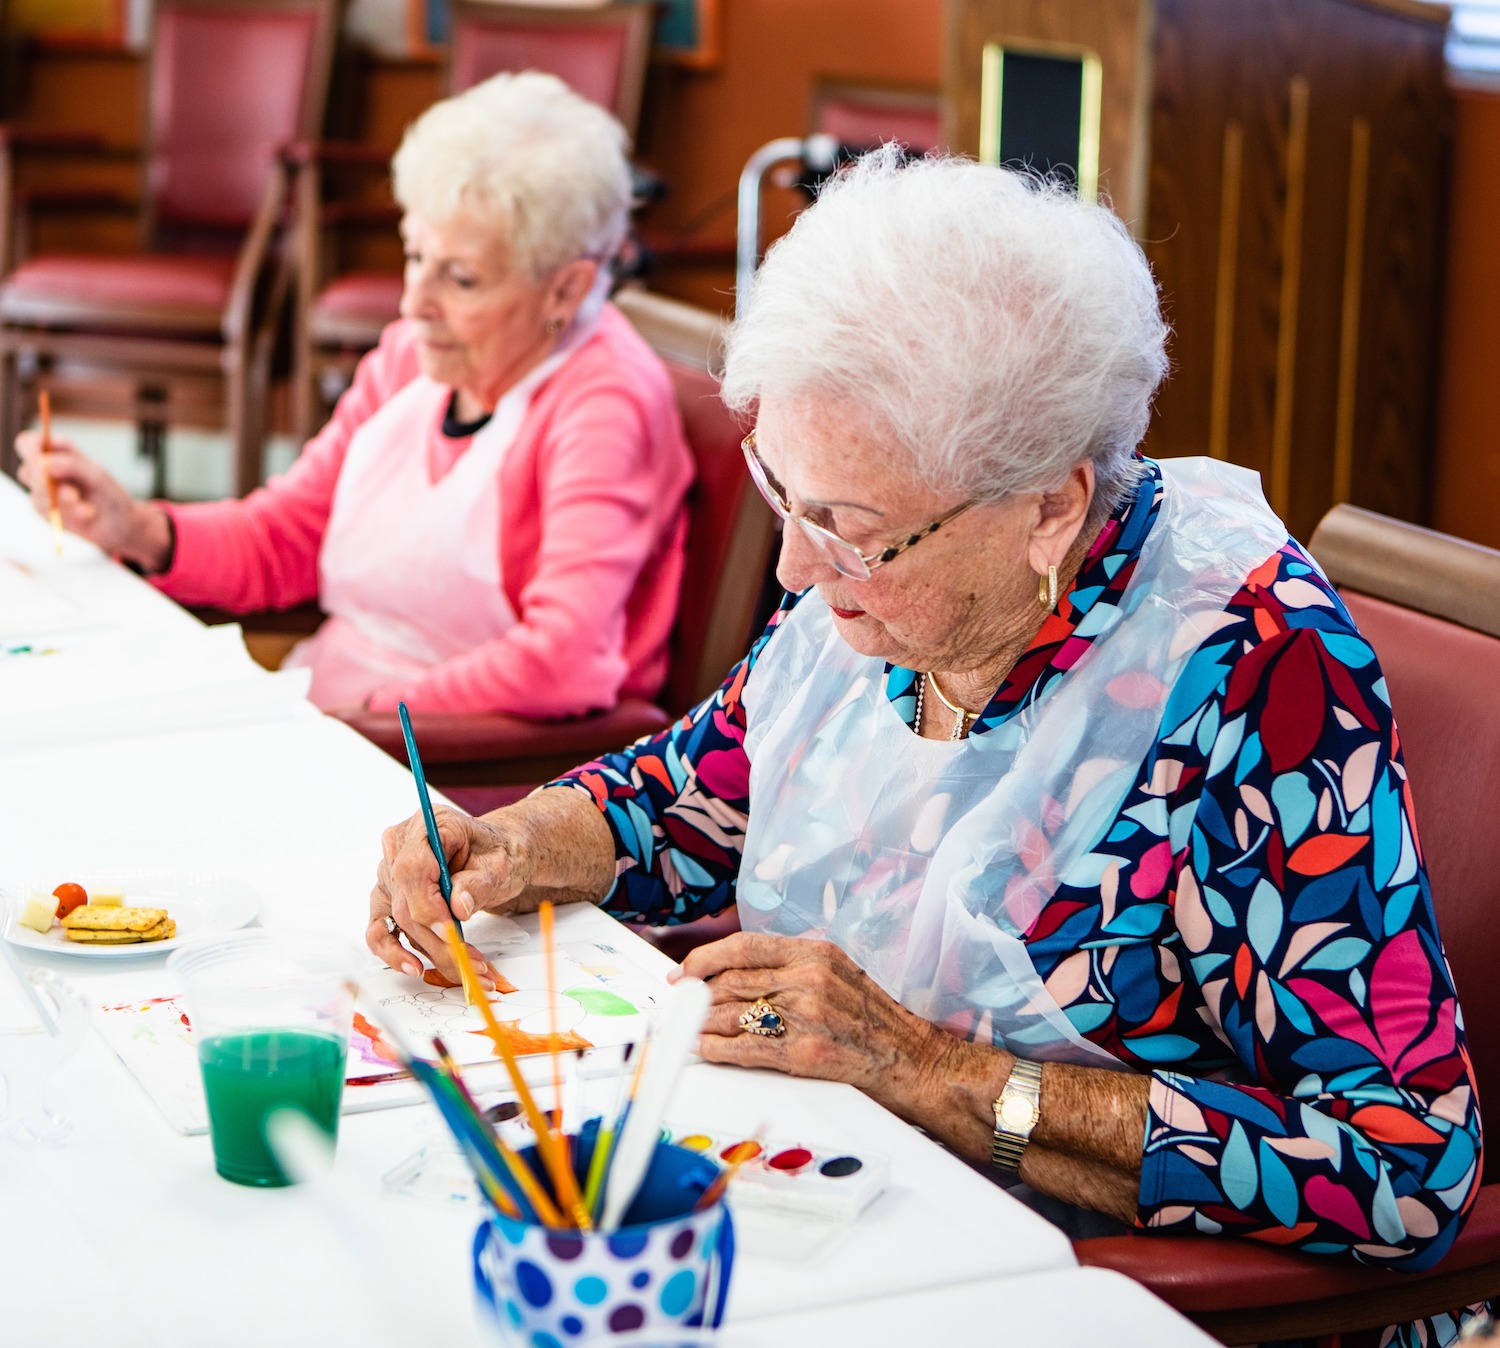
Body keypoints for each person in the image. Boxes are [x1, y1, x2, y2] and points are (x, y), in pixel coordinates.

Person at [371, 151, 1484, 1345]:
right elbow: (690, 796)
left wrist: (926, 1069)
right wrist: (520, 838)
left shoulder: (1256, 680)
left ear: (1048, 505)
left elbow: (1398, 1163)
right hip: (851, 1229)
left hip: (1087, 1298)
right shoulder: (890, 595)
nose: (795, 570)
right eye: (780, 494)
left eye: (846, 530)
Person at [14, 72, 693, 717]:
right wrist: (136, 527)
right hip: (340, 714)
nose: (413, 302)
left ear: (566, 291)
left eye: (460, 280)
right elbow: (285, 538)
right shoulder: (407, 358)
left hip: (466, 780)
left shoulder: (604, 399)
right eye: (415, 255)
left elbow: (561, 664)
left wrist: (364, 717)